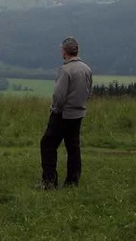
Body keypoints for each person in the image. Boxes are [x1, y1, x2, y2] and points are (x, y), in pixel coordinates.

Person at [40, 37, 93, 189]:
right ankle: (72, 181)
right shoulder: (86, 69)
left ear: (64, 51)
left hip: (63, 114)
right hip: (78, 113)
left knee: (48, 144)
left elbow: (59, 95)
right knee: (73, 147)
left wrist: (55, 109)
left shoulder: (66, 70)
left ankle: (49, 181)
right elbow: (89, 92)